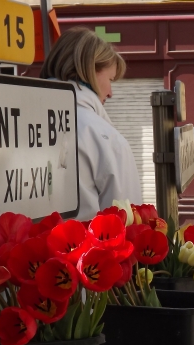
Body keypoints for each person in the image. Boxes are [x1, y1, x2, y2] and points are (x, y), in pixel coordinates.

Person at [40, 27, 142, 220]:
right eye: (110, 79)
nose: (111, 93)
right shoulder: (106, 139)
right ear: (90, 72)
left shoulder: (15, 123)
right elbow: (126, 225)